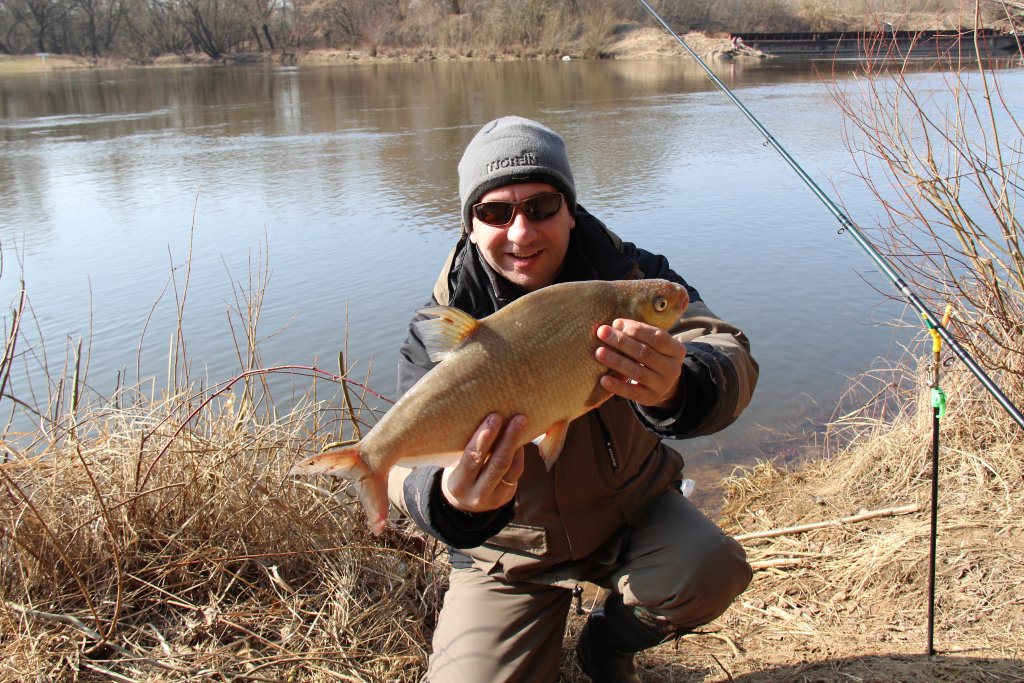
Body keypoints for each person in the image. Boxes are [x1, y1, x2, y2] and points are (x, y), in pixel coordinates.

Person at [386, 115, 758, 683]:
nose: (521, 232)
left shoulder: (631, 280)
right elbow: (407, 455)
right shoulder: (442, 322)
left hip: (629, 511)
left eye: (541, 207)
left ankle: (607, 645)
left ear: (570, 209)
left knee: (711, 569)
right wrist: (451, 502)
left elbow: (724, 348)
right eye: (495, 212)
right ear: (469, 225)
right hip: (508, 551)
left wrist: (680, 386)